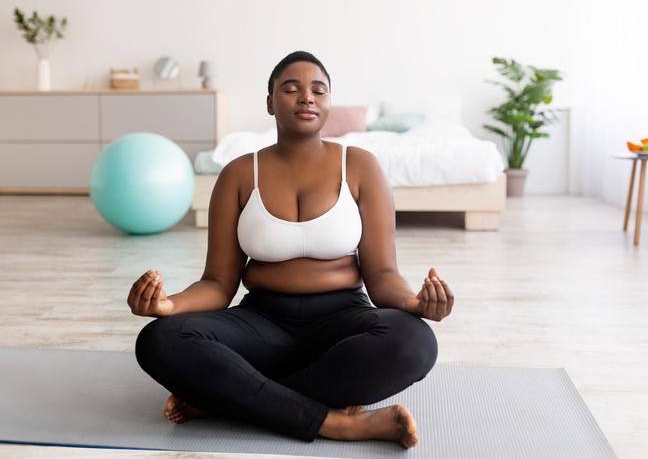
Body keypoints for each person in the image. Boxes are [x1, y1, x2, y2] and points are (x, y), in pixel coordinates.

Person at [131, 51, 454, 449]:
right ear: (270, 102)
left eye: (318, 90)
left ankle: (226, 400)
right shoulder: (237, 174)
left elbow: (383, 276)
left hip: (341, 324)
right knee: (158, 340)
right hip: (260, 324)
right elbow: (217, 283)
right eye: (291, 89)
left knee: (414, 343)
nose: (307, 98)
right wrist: (168, 306)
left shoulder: (360, 167)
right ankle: (339, 423)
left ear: (329, 103)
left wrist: (417, 303)